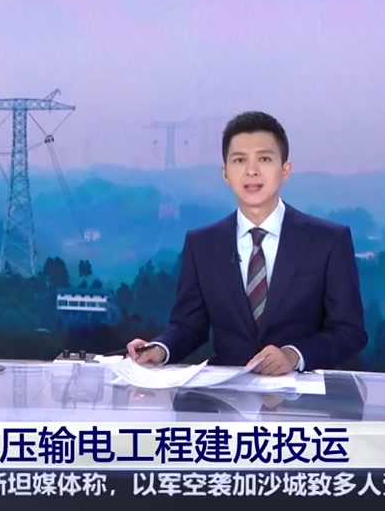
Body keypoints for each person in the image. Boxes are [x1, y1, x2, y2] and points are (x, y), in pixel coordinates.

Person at [126, 111, 367, 375]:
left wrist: (293, 355)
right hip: (225, 393)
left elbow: (349, 332)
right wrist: (160, 348)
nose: (251, 171)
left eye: (264, 159)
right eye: (239, 160)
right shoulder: (202, 245)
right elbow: (188, 326)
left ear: (285, 170)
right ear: (225, 173)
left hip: (301, 392)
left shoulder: (328, 241)